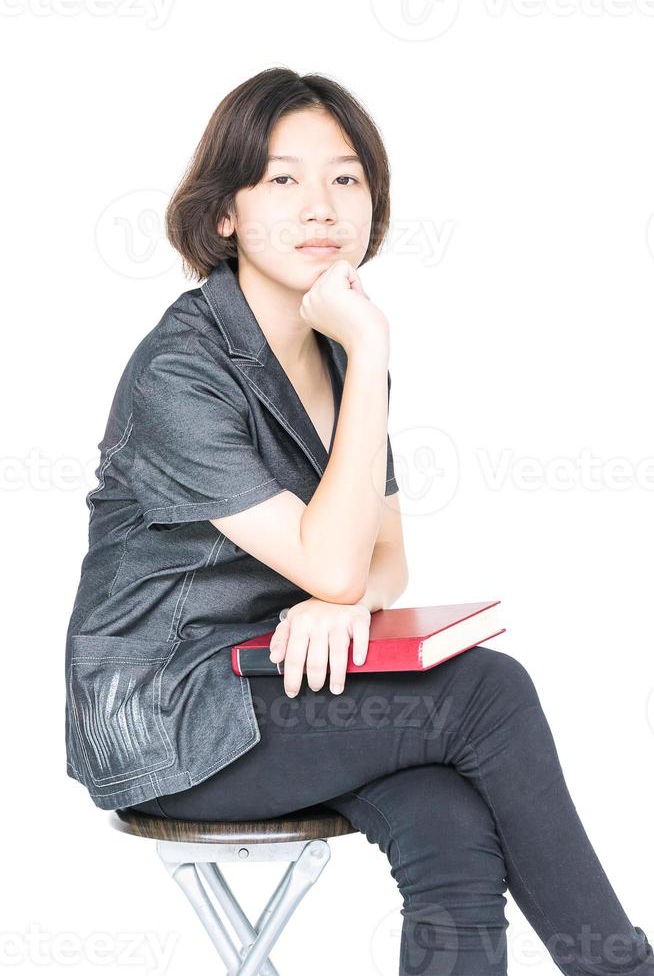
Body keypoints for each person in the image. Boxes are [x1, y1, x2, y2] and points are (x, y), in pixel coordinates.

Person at [64, 67, 653, 975]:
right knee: (487, 693)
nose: (322, 206)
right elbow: (339, 565)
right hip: (170, 712)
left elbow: (383, 560)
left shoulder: (340, 359)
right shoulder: (179, 372)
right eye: (282, 179)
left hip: (288, 673)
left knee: (445, 816)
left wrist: (341, 603)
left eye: (345, 178)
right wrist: (374, 350)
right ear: (224, 212)